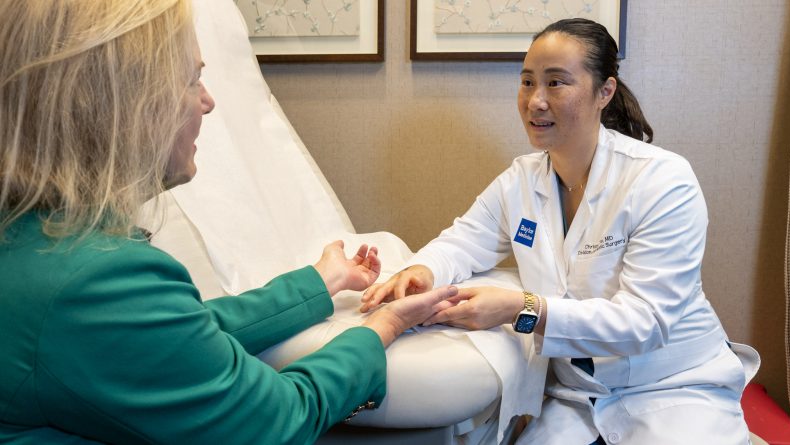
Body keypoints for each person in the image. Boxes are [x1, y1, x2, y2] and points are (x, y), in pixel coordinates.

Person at [0, 1, 458, 443]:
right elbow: (277, 421)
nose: (208, 102)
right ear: (125, 102)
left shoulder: (32, 238)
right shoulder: (98, 278)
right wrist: (381, 329)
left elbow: (184, 330)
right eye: (192, 79)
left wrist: (320, 281)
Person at [361, 18, 757, 445]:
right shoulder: (520, 180)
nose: (535, 101)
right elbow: (462, 240)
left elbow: (646, 322)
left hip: (674, 385)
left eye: (556, 83)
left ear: (604, 92)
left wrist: (521, 307)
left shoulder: (661, 180)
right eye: (528, 81)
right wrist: (423, 270)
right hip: (578, 395)